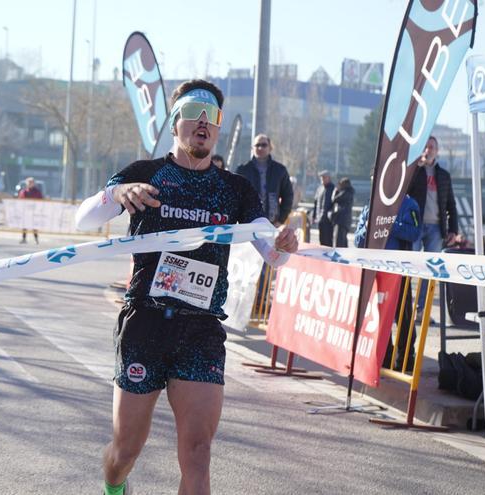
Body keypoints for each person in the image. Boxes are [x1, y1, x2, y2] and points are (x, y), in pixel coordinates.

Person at [74, 79, 298, 495]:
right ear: (176, 124)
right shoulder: (146, 174)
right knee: (125, 452)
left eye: (211, 116)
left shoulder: (236, 189)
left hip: (201, 329)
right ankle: (114, 488)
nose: (203, 123)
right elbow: (83, 220)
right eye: (193, 113)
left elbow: (272, 251)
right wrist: (116, 194)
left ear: (218, 128)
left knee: (197, 454)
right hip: (146, 323)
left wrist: (284, 243)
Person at [355, 194, 422, 370]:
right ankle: (385, 354)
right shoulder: (369, 206)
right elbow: (357, 239)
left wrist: (390, 225)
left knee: (403, 314)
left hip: (398, 271)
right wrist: (369, 227)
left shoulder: (408, 203)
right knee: (379, 314)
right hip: (375, 272)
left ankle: (406, 355)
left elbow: (415, 233)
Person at [407, 136, 461, 319]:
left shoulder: (443, 176)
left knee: (428, 271)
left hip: (436, 229)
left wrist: (454, 230)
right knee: (407, 267)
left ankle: (420, 311)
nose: (428, 150)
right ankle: (403, 310)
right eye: (426, 147)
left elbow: (451, 205)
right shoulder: (413, 170)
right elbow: (403, 194)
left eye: (432, 147)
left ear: (437, 151)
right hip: (414, 226)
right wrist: (417, 166)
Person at [235, 134, 293, 226]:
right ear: (252, 148)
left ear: (270, 148)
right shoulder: (242, 170)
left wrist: (280, 220)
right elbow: (235, 197)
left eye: (264, 145)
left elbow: (288, 196)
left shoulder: (280, 170)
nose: (260, 148)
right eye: (257, 145)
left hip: (272, 223)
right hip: (248, 225)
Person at [310, 170, 335, 246]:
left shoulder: (333, 188)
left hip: (328, 220)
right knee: (321, 240)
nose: (322, 179)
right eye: (321, 177)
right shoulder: (319, 189)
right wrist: (314, 216)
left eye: (324, 177)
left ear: (329, 178)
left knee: (328, 240)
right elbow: (316, 203)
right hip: (320, 219)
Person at [330, 177, 355, 248]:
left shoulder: (346, 192)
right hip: (344, 220)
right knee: (343, 241)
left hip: (341, 220)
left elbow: (334, 199)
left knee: (339, 241)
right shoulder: (349, 192)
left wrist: (335, 191)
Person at [18, 176, 43, 244]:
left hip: (34, 211)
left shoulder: (37, 192)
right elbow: (20, 200)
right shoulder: (23, 191)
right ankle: (24, 238)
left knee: (34, 225)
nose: (30, 184)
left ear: (33, 183)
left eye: (31, 182)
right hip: (25, 211)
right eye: (29, 182)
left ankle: (36, 238)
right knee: (24, 225)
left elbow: (41, 200)